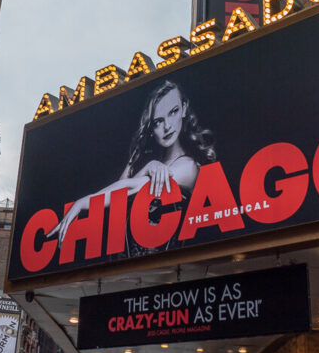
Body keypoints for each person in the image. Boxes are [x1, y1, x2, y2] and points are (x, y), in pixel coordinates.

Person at [52, 80, 215, 245]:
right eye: (158, 121)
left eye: (173, 112)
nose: (167, 126)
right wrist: (138, 162)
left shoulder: (187, 166)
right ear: (151, 128)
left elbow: (130, 189)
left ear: (184, 108)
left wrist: (82, 203)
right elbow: (118, 207)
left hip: (172, 264)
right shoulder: (155, 165)